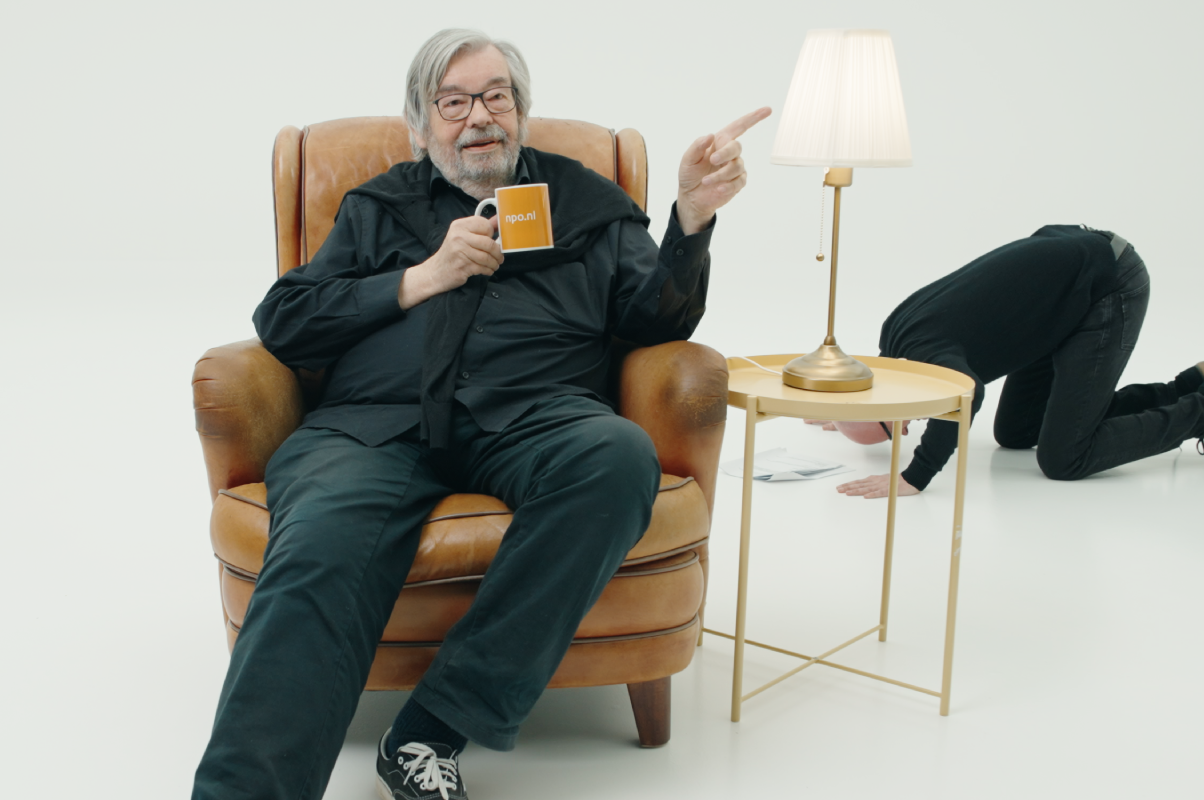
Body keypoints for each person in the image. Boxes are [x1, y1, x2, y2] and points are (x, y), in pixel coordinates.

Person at [191, 29, 770, 800]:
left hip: (536, 416)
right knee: (320, 543)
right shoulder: (378, 206)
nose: (480, 117)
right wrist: (421, 277)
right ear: (420, 126)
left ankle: (431, 729)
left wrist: (690, 218)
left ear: (521, 111)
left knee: (616, 457)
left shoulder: (587, 202)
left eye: (496, 96)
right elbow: (286, 321)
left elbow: (654, 319)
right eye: (454, 101)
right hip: (374, 426)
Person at [818, 225, 1204, 499]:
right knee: (1017, 433)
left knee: (1065, 458)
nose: (908, 427)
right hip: (1060, 291)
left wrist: (916, 475)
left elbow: (969, 395)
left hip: (1104, 284)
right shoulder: (893, 339)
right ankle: (1182, 390)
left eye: (897, 425)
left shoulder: (929, 358)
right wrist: (839, 415)